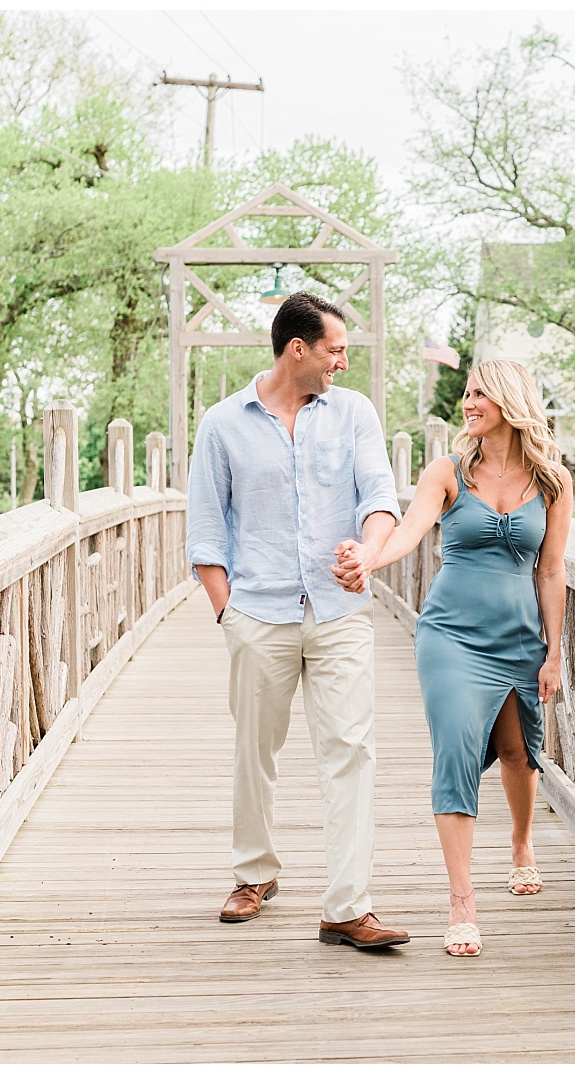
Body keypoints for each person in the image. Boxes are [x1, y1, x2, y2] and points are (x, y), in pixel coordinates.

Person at [186, 291, 410, 950]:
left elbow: (379, 496)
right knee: (255, 750)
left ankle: (347, 906)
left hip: (340, 614)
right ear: (298, 350)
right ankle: (254, 874)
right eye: (336, 350)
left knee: (351, 752)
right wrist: (228, 613)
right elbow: (204, 530)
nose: (344, 362)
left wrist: (367, 553)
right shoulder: (222, 424)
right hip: (258, 612)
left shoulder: (355, 414)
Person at [334, 359, 572, 956]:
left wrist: (554, 654)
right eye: (466, 393)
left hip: (520, 636)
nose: (468, 403)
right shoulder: (446, 471)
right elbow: (411, 531)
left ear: (510, 403)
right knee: (456, 753)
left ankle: (521, 844)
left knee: (520, 748)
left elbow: (551, 570)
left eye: (479, 394)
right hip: (450, 636)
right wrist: (369, 561)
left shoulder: (552, 482)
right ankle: (461, 903)